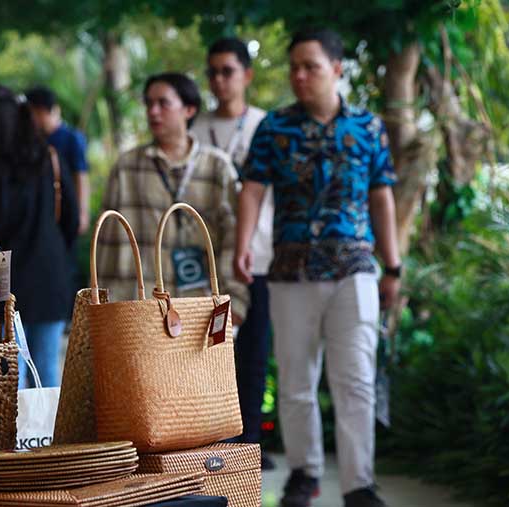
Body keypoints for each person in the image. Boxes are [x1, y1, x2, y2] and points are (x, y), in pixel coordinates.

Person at [236, 28, 401, 507]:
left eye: (310, 66)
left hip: (355, 271)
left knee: (354, 380)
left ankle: (358, 484)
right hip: (291, 272)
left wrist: (393, 266)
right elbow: (252, 187)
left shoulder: (368, 127)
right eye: (294, 67)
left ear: (337, 69)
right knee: (294, 381)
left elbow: (382, 195)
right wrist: (243, 246)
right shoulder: (275, 127)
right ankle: (304, 474)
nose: (300, 76)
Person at [97, 72, 249, 323]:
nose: (153, 112)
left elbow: (233, 237)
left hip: (200, 307)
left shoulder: (217, 167)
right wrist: (100, 306)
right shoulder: (127, 167)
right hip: (136, 308)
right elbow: (106, 242)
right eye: (149, 104)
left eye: (163, 103)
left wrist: (236, 302)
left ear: (189, 109)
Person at [191, 36, 274, 470]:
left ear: (246, 75)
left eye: (228, 71)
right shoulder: (195, 128)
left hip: (258, 258)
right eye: (213, 72)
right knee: (206, 355)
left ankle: (250, 447)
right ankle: (211, 445)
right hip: (205, 261)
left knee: (254, 354)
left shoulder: (267, 125)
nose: (220, 80)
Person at [0, 83, 79, 389]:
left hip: (4, 281)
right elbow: (71, 220)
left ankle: (20, 437)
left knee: (10, 372)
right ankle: (48, 436)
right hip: (50, 275)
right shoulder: (48, 158)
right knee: (47, 370)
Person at [25, 86, 91, 235]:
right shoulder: (36, 139)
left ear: (41, 111)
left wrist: (82, 213)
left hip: (67, 208)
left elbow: (80, 175)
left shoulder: (72, 138)